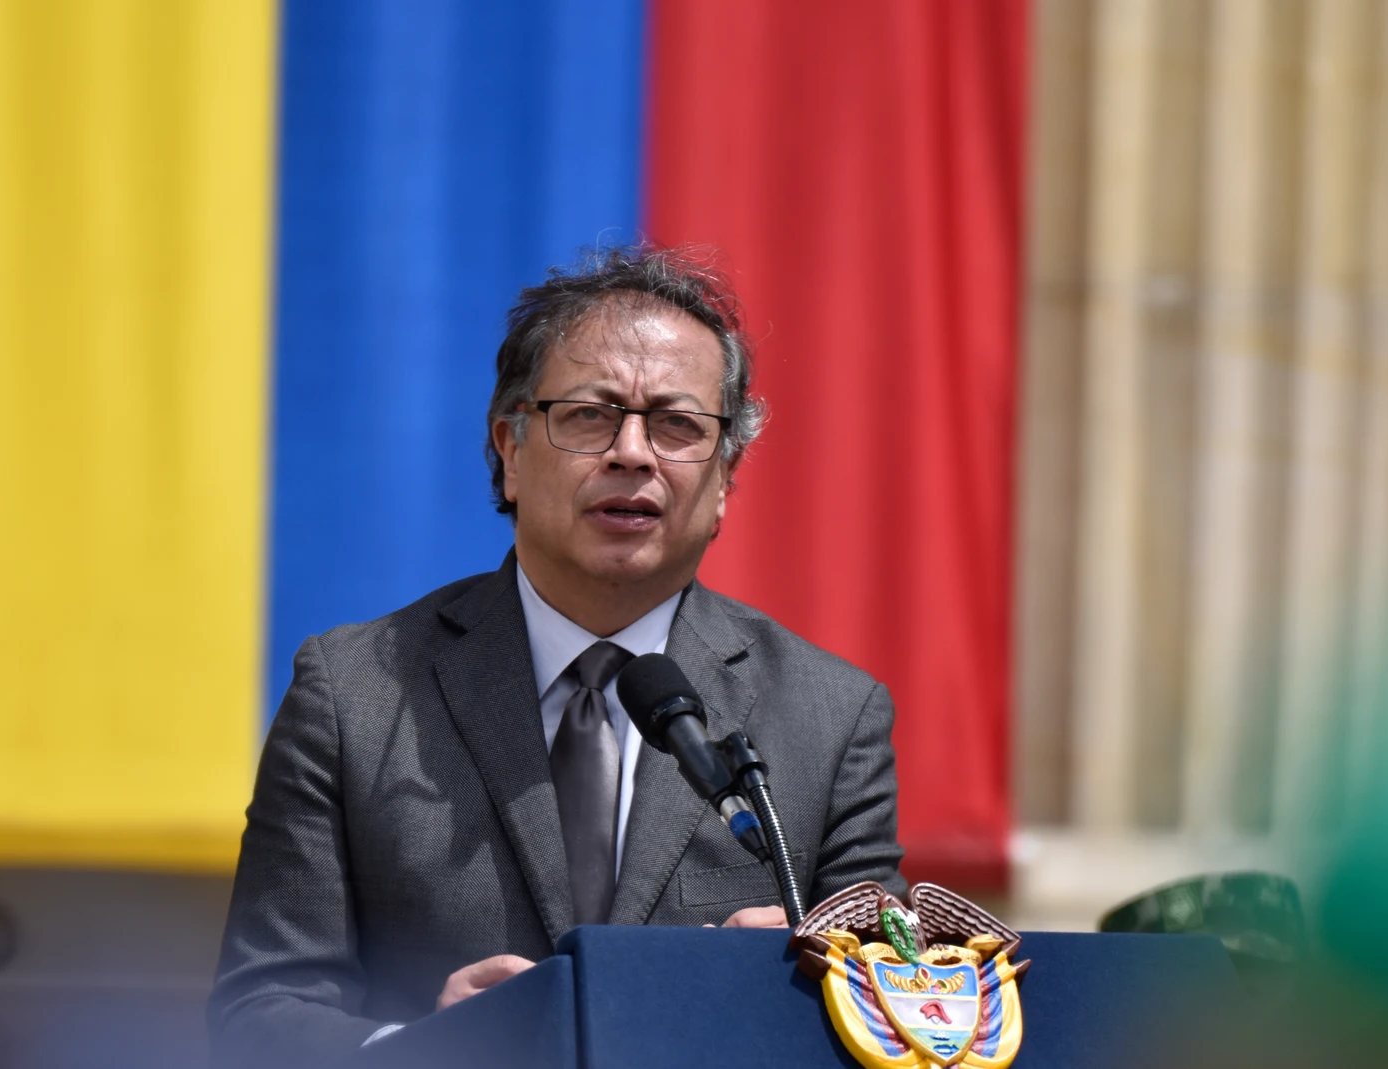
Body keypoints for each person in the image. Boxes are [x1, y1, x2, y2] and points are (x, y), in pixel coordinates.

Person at [208, 246, 904, 1067]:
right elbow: (259, 1013)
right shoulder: (353, 692)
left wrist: (802, 990)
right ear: (508, 447)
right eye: (590, 414)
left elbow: (890, 1008)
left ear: (725, 482)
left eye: (679, 425)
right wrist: (423, 1049)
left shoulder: (830, 716)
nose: (633, 453)